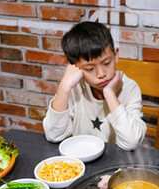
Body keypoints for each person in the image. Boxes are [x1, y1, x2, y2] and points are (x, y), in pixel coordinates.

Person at [43, 21, 145, 150]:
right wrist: (64, 86)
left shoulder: (130, 88)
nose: (101, 74)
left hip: (115, 162)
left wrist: (109, 94)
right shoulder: (75, 87)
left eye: (107, 63)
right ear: (74, 67)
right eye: (90, 69)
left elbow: (132, 143)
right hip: (78, 161)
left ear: (116, 55)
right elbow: (54, 135)